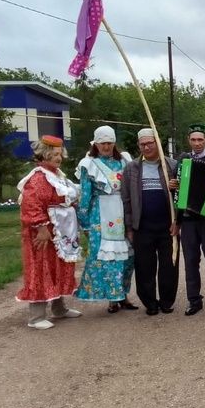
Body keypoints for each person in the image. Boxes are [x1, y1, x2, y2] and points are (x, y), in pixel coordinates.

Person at [15, 136, 82, 329]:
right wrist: (41, 228)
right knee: (41, 267)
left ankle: (59, 308)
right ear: (43, 155)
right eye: (53, 154)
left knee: (58, 268)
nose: (58, 158)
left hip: (60, 231)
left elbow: (67, 196)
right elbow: (31, 204)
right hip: (44, 232)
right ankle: (36, 317)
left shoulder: (57, 175)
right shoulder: (37, 178)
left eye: (60, 154)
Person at [74, 125, 137, 313]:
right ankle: (112, 297)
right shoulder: (89, 164)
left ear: (114, 143)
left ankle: (123, 294)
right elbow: (85, 194)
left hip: (123, 211)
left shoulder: (124, 160)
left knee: (126, 257)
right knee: (107, 258)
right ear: (96, 144)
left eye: (109, 143)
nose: (106, 147)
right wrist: (84, 221)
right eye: (103, 143)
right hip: (100, 214)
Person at [169, 123, 205, 317]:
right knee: (191, 261)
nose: (196, 143)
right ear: (189, 141)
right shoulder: (182, 160)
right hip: (188, 220)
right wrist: (173, 185)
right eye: (193, 140)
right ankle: (194, 301)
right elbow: (176, 192)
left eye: (200, 139)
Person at [121, 128, 179, 316]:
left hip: (167, 225)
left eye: (150, 143)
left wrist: (177, 220)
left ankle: (166, 301)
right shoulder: (132, 168)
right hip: (142, 226)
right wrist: (129, 227)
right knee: (144, 266)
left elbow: (181, 196)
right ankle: (150, 302)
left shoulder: (171, 165)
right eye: (142, 144)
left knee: (168, 265)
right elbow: (126, 199)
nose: (146, 147)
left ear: (157, 143)